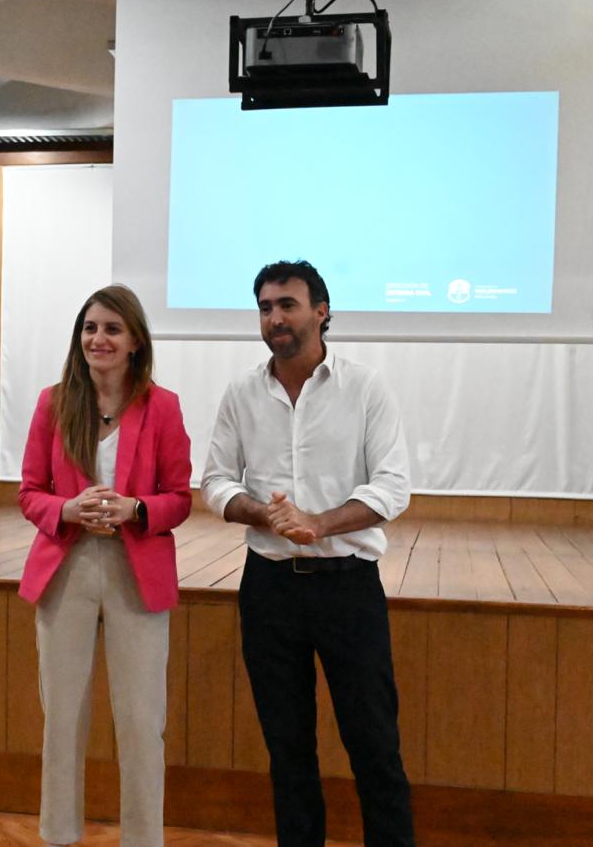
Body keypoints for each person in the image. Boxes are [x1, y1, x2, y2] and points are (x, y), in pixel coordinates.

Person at [201, 260, 415, 846]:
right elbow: (216, 481)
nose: (275, 318)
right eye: (265, 308)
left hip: (348, 586)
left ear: (321, 311)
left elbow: (393, 487)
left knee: (374, 745)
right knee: (287, 750)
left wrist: (318, 524)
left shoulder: (365, 388)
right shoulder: (242, 393)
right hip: (269, 588)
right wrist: (264, 514)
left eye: (287, 305)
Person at [18, 284, 192, 847]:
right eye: (90, 328)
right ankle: (58, 835)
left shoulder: (162, 406)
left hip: (135, 570)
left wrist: (136, 509)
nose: (99, 339)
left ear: (136, 341)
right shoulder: (53, 403)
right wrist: (66, 509)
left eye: (113, 329)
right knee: (62, 718)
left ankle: (143, 839)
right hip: (66, 568)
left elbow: (179, 499)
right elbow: (29, 492)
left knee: (141, 722)